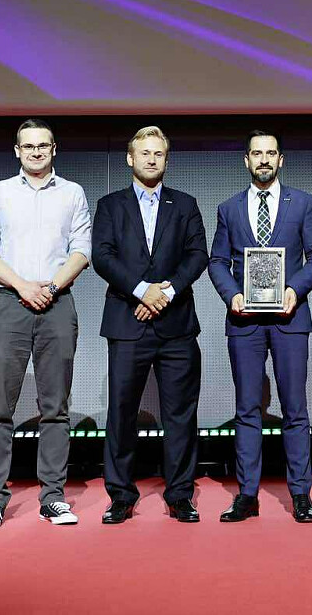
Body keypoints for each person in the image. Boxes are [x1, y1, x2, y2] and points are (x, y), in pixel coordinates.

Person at [0, 118, 92, 528]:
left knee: (55, 407)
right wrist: (23, 286)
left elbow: (82, 249)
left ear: (54, 149)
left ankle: (53, 496)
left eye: (43, 145)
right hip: (8, 302)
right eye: (28, 146)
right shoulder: (0, 192)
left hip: (57, 303)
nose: (36, 152)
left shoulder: (72, 193)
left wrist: (51, 287)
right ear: (17, 151)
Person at [207, 130, 312, 524]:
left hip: (289, 318)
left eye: (270, 153)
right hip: (244, 321)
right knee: (247, 409)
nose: (264, 159)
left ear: (281, 160)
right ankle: (247, 495)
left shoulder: (302, 203)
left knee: (295, 408)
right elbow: (217, 261)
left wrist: (295, 289)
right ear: (246, 160)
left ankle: (301, 494)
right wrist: (231, 295)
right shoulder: (228, 208)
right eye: (257, 153)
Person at [91, 126, 209, 524]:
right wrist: (143, 292)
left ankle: (180, 495)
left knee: (181, 416)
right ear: (130, 158)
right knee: (121, 413)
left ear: (166, 159)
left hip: (177, 326)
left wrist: (166, 293)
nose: (151, 159)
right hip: (127, 324)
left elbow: (197, 255)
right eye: (144, 153)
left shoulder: (185, 204)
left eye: (158, 153)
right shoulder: (110, 205)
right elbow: (103, 257)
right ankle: (120, 496)